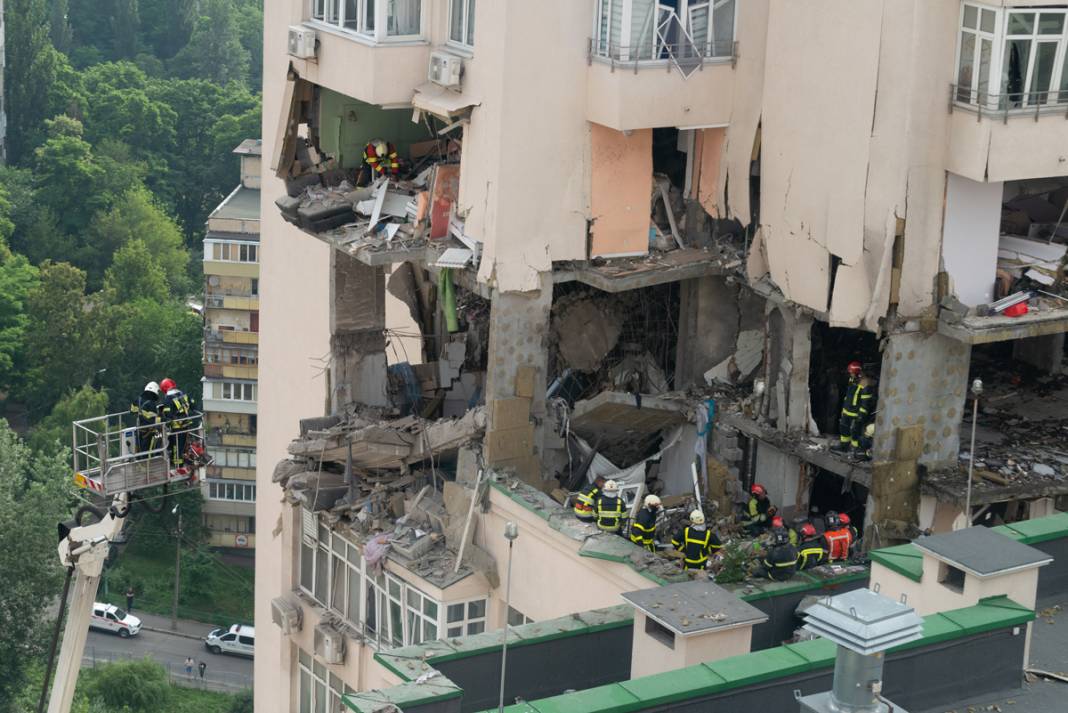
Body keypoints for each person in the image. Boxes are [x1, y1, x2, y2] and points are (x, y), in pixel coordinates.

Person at [833, 361, 874, 454]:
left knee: (855, 431)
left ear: (857, 373)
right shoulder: (852, 380)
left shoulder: (865, 384)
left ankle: (854, 449)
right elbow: (849, 395)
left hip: (856, 413)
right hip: (847, 410)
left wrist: (861, 415)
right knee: (844, 428)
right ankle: (844, 446)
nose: (850, 374)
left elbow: (865, 403)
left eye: (851, 372)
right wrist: (844, 409)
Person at [160, 378, 194, 468]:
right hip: (186, 424)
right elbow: (192, 405)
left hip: (177, 427)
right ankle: (181, 460)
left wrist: (165, 420)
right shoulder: (182, 394)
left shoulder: (168, 399)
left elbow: (168, 414)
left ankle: (177, 464)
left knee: (176, 446)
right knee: (182, 445)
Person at [130, 381, 162, 452]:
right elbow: (155, 420)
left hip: (139, 429)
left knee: (139, 449)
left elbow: (132, 411)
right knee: (146, 451)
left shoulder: (137, 399)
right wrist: (164, 419)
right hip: (148, 431)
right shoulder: (151, 404)